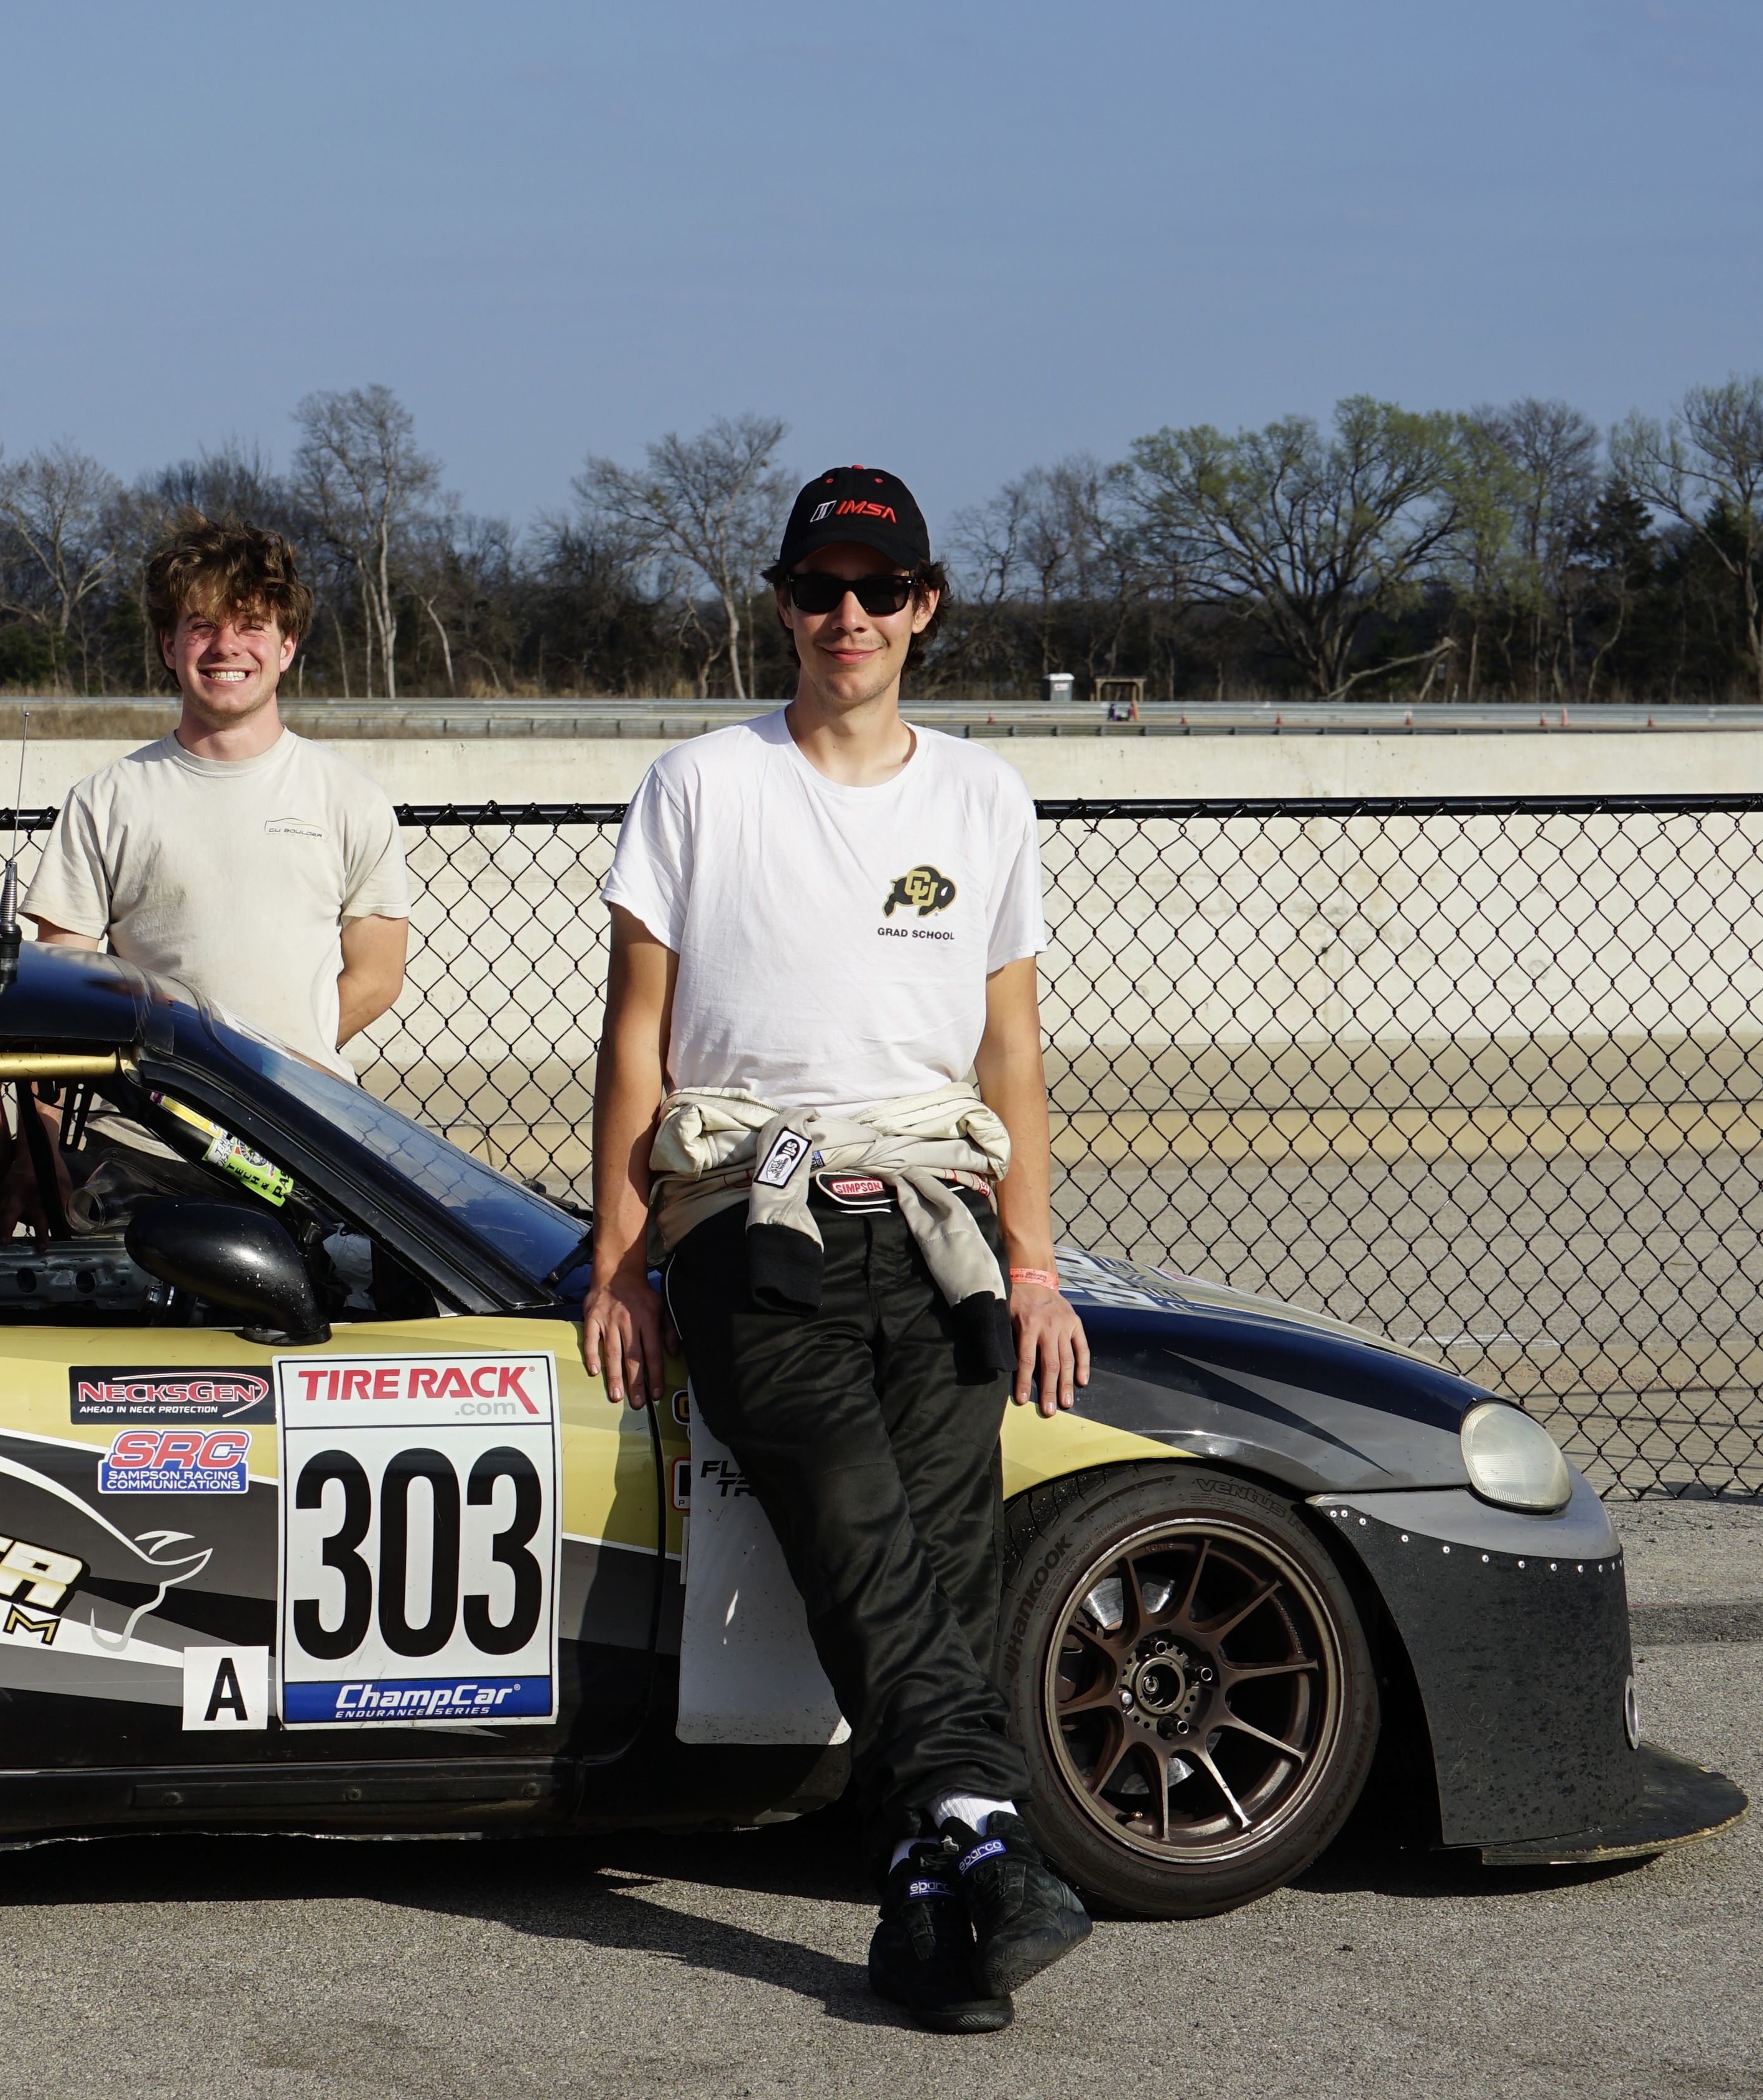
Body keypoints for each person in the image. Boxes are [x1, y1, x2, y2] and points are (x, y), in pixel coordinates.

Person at [574, 467, 1096, 2034]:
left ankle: (936, 1915)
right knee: (857, 1524)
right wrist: (620, 1258)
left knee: (931, 1570)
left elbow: (1012, 1053)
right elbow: (635, 1034)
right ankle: (996, 1824)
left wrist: (1038, 1263)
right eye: (820, 589)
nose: (848, 618)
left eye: (880, 590)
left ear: (926, 606)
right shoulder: (699, 784)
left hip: (937, 1227)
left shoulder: (985, 798)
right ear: (783, 605)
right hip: (754, 1213)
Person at [23, 517, 409, 1074]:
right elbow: (64, 984)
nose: (226, 646)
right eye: (202, 626)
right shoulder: (103, 801)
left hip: (301, 1132)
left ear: (287, 647)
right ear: (168, 645)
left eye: (252, 626)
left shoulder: (352, 800)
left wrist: (266, 1070)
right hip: (143, 1135)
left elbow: (376, 978)